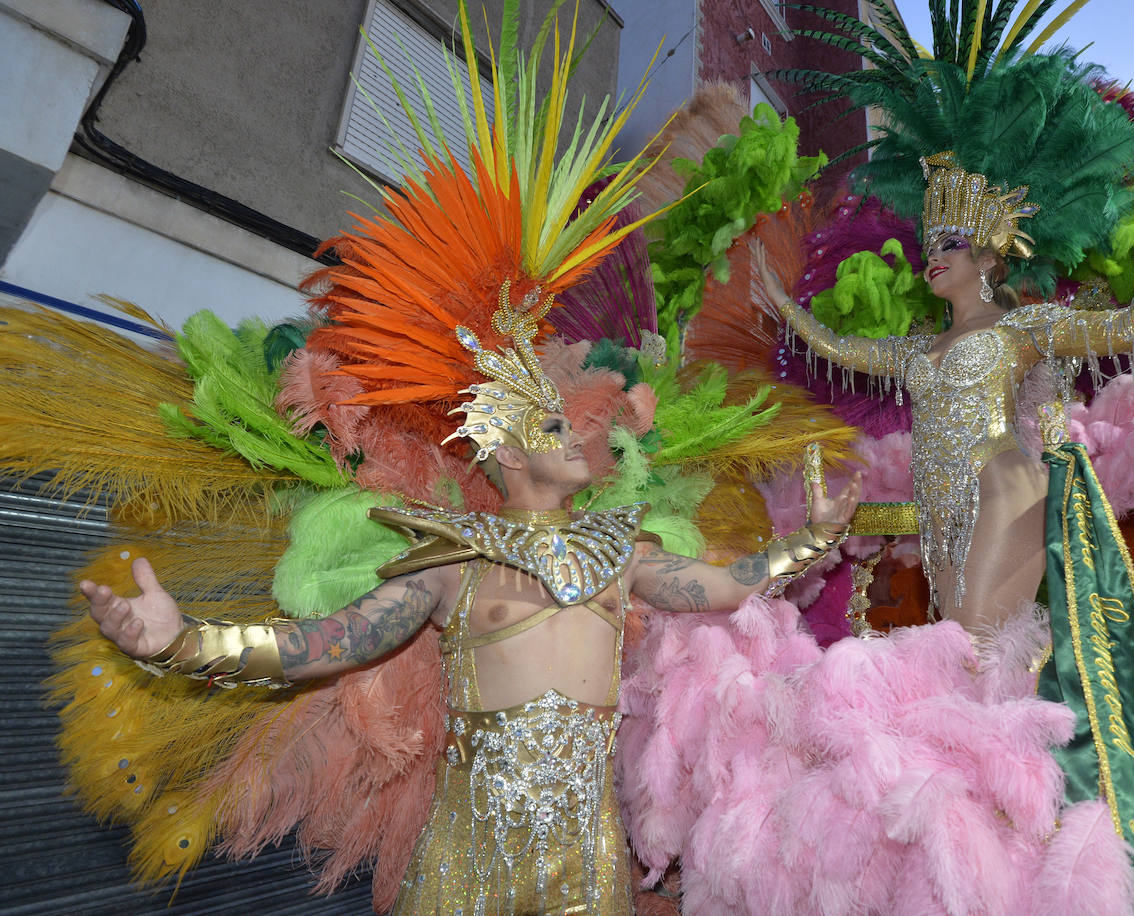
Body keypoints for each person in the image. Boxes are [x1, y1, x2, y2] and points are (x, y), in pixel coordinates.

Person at [81, 299, 862, 915]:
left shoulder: (622, 550)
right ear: (512, 452)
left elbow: (726, 586)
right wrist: (182, 642)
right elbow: (329, 643)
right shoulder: (454, 558)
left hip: (588, 857)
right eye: (555, 426)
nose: (579, 439)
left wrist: (810, 543)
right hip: (467, 853)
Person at [757, 148, 1134, 632]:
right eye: (930, 248)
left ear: (987, 258)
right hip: (938, 508)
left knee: (971, 641)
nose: (934, 256)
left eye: (950, 243)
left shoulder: (1021, 328)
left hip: (1001, 485)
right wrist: (778, 299)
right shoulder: (915, 350)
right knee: (962, 652)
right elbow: (837, 348)